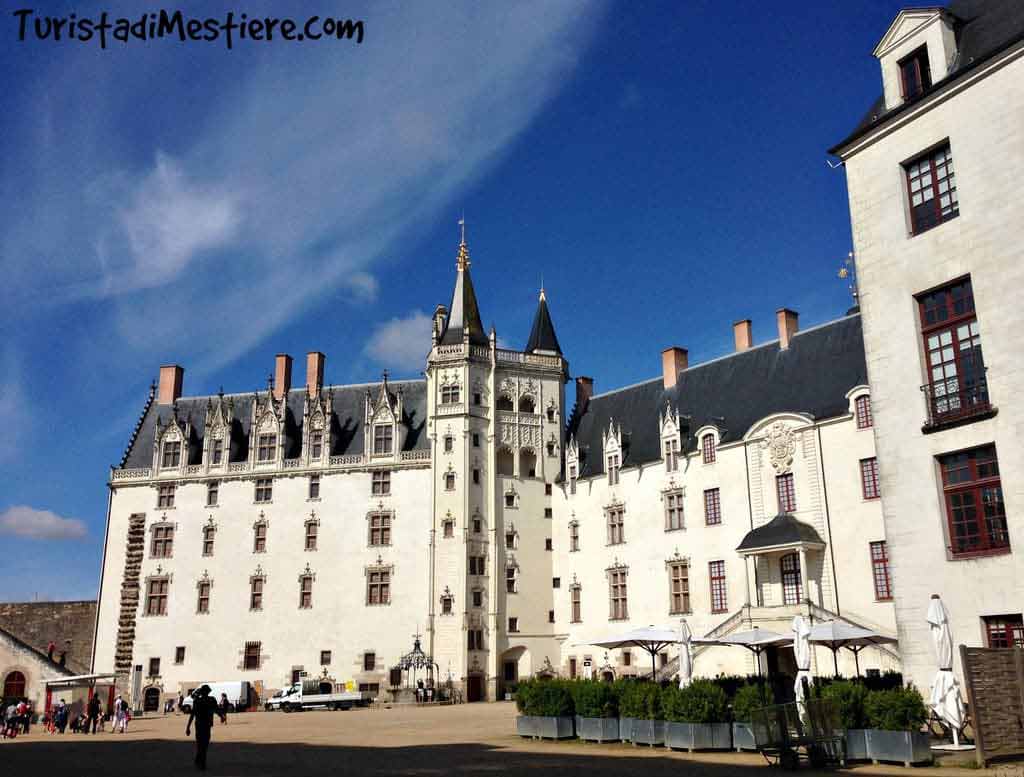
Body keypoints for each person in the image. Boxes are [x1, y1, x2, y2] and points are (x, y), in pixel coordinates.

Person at [185, 685, 225, 771]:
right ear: (208, 692)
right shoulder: (211, 700)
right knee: (204, 744)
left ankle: (199, 759)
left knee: (200, 744)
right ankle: (202, 762)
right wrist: (221, 716)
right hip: (206, 725)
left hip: (199, 724)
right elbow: (217, 709)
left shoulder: (197, 701)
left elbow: (192, 714)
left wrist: (188, 727)